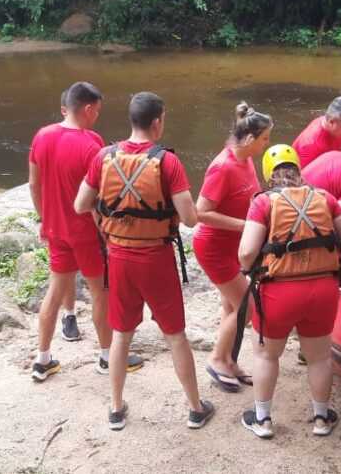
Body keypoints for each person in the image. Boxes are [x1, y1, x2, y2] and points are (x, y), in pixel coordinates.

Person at [74, 92, 214, 431]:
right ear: (157, 121)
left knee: (121, 334)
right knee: (175, 335)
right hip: (156, 257)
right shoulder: (167, 162)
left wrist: (107, 225)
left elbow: (81, 204)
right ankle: (195, 409)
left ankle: (116, 408)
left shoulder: (104, 156)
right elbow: (190, 218)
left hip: (119, 256)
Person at [238, 144, 341, 439]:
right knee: (319, 357)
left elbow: (245, 254)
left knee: (267, 356)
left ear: (270, 176)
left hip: (278, 292)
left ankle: (263, 420)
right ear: (298, 171)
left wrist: (253, 265)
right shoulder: (325, 198)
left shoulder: (263, 202)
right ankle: (321, 418)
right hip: (322, 288)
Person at [29, 82, 143, 383]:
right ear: (89, 108)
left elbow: (33, 184)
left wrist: (45, 218)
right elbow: (98, 200)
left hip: (55, 230)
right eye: (98, 111)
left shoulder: (42, 136)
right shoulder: (92, 145)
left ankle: (42, 359)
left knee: (54, 293)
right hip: (86, 235)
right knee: (100, 294)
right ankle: (107, 356)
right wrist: (107, 233)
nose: (97, 117)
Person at [193, 102, 273, 392]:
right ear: (251, 139)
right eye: (265, 138)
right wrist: (246, 226)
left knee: (232, 306)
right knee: (246, 307)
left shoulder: (246, 157)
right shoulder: (222, 167)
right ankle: (216, 360)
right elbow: (200, 212)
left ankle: (229, 360)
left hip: (233, 247)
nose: (268, 144)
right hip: (213, 248)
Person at [58, 88, 81, 343]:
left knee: (98, 282)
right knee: (65, 274)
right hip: (62, 217)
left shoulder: (89, 139)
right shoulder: (48, 136)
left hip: (81, 217)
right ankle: (69, 314)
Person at [292, 96, 341, 169]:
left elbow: (340, 149)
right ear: (331, 122)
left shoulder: (333, 127)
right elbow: (304, 177)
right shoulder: (311, 145)